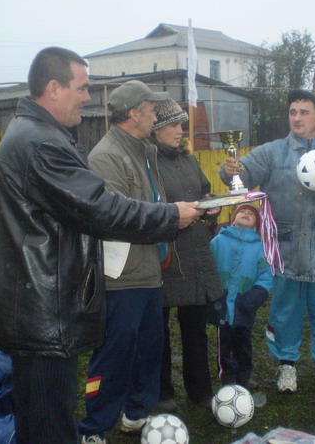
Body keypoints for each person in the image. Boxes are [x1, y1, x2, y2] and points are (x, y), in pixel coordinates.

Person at [0, 47, 202, 444]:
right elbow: (102, 209)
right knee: (49, 424)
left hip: (41, 305)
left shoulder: (37, 135)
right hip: (43, 310)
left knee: (44, 417)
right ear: (53, 88)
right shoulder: (41, 144)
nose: (89, 99)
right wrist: (170, 216)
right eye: (82, 88)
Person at [220, 89, 315, 394]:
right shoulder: (273, 151)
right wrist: (230, 171)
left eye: (304, 112)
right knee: (284, 311)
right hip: (284, 251)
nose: (297, 117)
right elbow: (242, 175)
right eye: (292, 112)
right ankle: (286, 366)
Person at [80, 81, 190, 443]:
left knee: (149, 349)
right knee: (114, 353)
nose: (157, 114)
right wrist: (171, 216)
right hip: (120, 278)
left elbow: (153, 202)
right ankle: (94, 427)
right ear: (133, 113)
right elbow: (117, 217)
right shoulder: (105, 156)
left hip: (147, 271)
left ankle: (136, 413)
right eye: (152, 107)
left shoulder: (144, 151)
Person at [148, 99, 223, 412]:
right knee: (158, 331)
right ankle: (162, 393)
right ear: (155, 129)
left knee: (195, 328)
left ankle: (200, 390)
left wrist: (211, 207)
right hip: (164, 255)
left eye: (182, 124)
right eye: (173, 125)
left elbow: (203, 192)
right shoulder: (146, 162)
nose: (181, 131)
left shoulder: (188, 159)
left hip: (194, 253)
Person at [208, 204, 274, 388]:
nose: (246, 214)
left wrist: (255, 296)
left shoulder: (260, 247)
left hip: (244, 302)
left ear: (256, 225)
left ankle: (244, 375)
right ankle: (227, 375)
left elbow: (266, 275)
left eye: (251, 214)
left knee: (243, 340)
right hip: (222, 301)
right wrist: (213, 292)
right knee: (225, 341)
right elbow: (208, 266)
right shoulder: (219, 241)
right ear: (233, 219)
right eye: (242, 212)